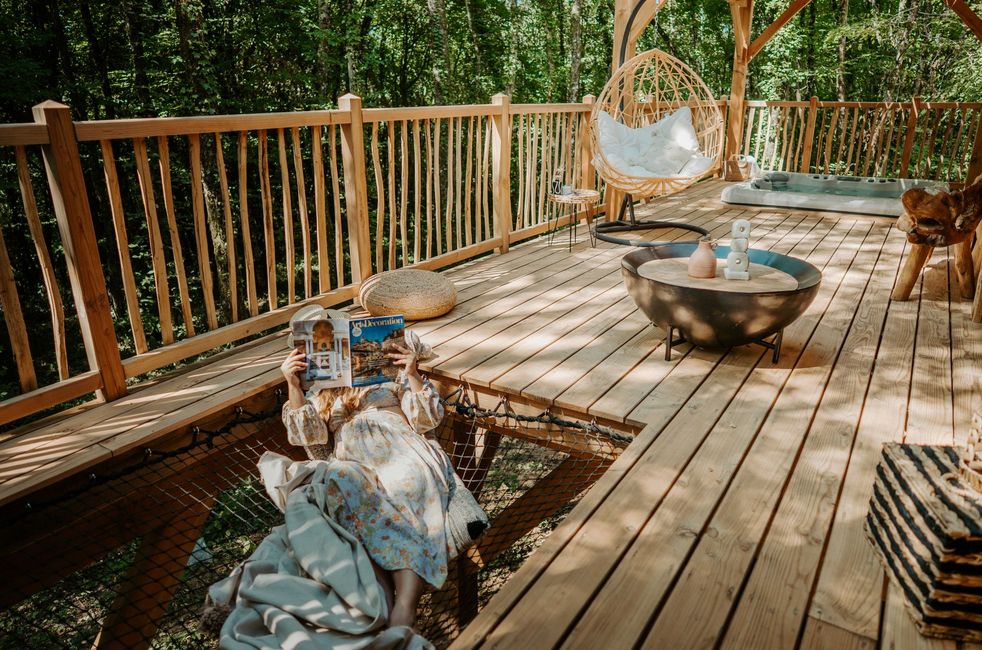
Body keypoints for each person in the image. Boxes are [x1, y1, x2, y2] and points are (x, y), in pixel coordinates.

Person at [279, 339, 453, 631]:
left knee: (399, 498)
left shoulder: (391, 374)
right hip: (355, 464)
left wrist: (412, 373)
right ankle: (380, 615)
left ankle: (404, 612)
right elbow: (309, 437)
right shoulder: (320, 394)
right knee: (341, 482)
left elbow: (427, 419)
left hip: (401, 451)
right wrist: (293, 385)